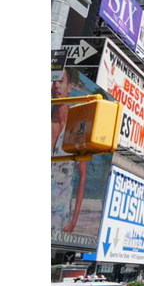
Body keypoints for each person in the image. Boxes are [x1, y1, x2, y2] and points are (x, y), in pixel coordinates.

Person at [51, 68, 89, 234]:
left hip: (59, 219)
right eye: (53, 81)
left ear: (69, 87)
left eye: (61, 81)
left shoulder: (76, 129)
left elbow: (82, 178)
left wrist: (74, 221)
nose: (56, 86)